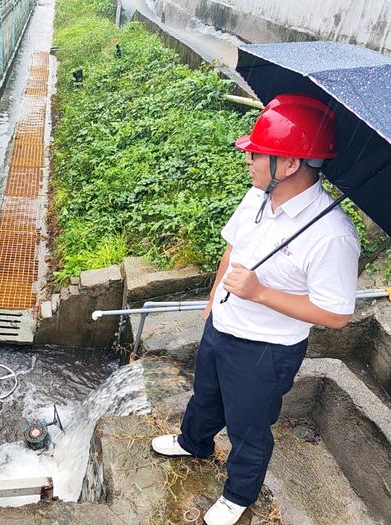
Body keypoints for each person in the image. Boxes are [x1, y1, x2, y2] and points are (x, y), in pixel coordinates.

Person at [151, 94, 359, 525]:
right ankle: (195, 442)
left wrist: (261, 292)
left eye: (256, 153)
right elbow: (233, 249)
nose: (247, 159)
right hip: (222, 326)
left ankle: (238, 493)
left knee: (248, 426)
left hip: (266, 350)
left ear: (289, 165)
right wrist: (212, 304)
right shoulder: (255, 198)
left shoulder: (332, 235)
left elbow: (337, 315)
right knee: (205, 396)